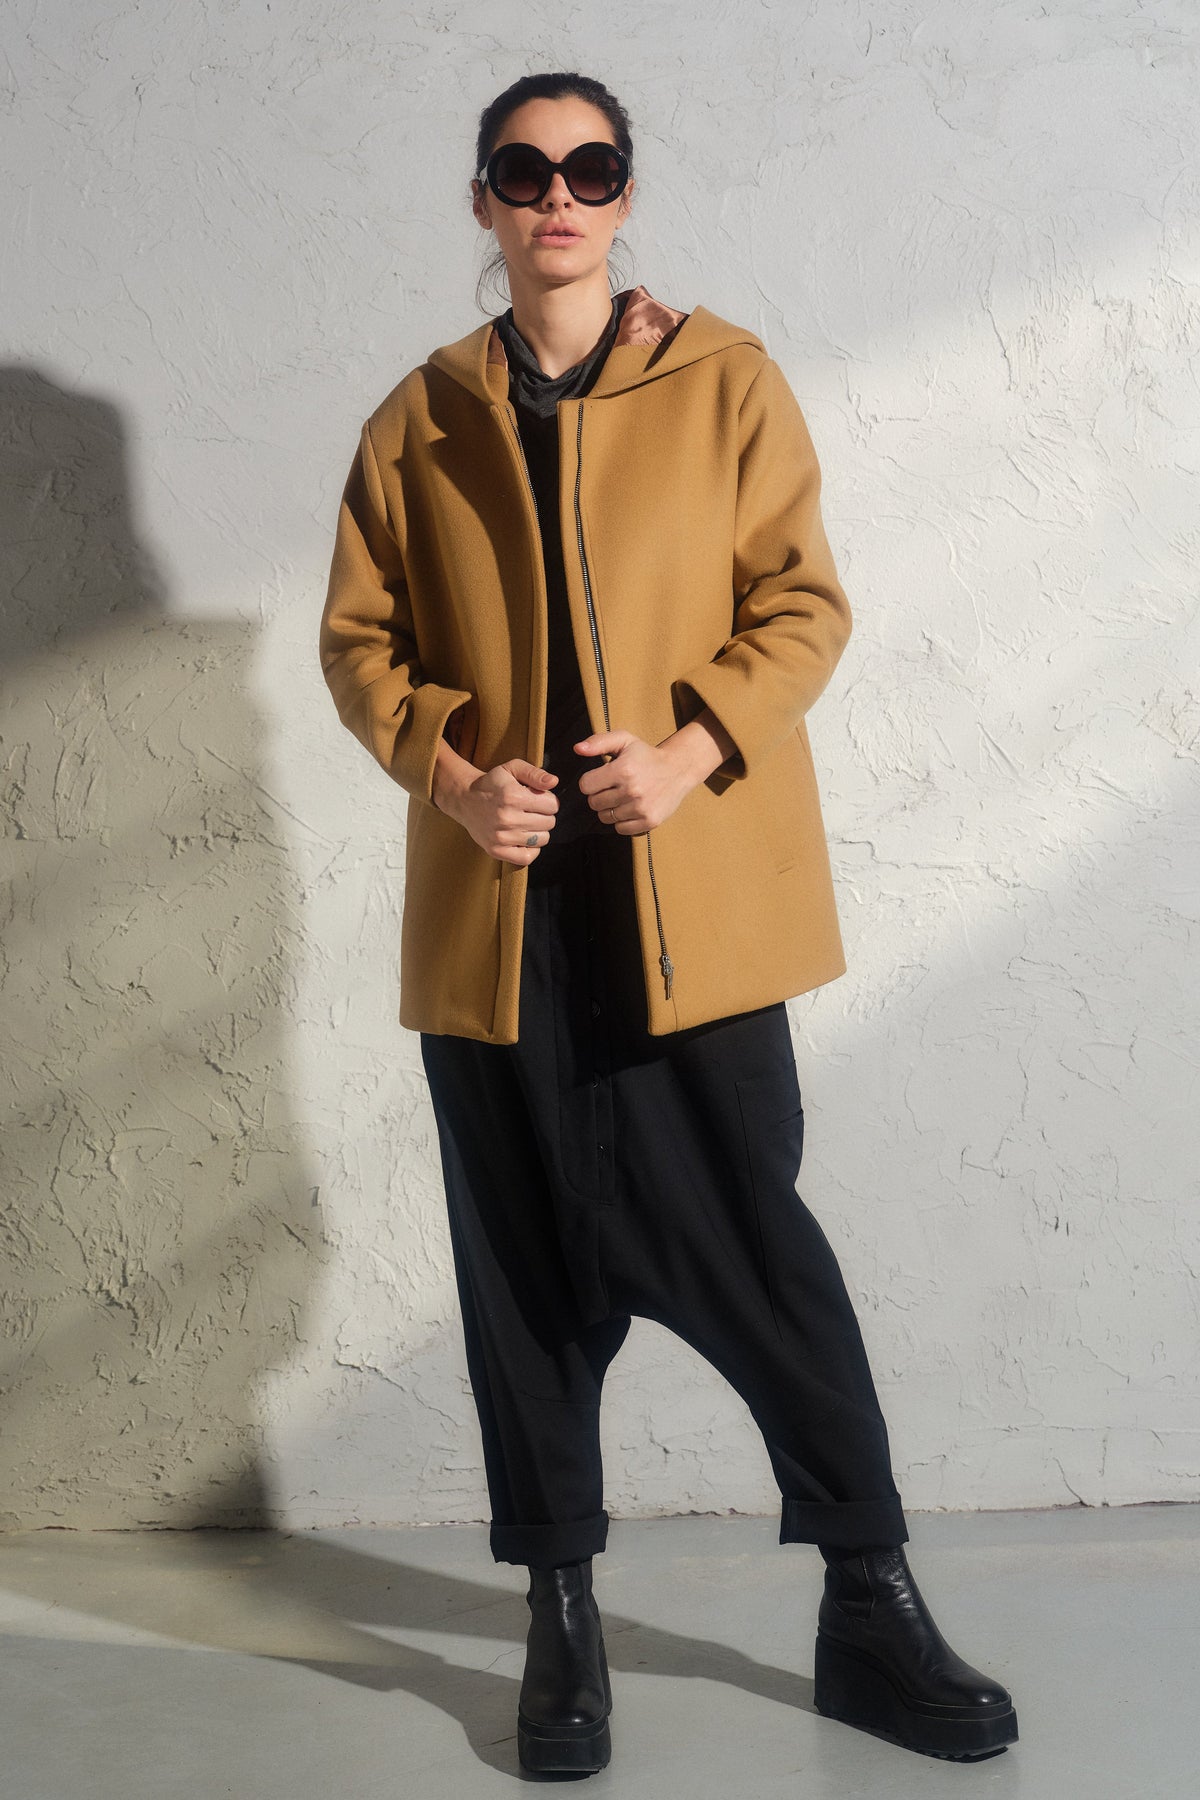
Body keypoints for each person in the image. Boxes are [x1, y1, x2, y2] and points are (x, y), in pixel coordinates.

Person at [319, 69, 1018, 1779]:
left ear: (626, 194)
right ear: (483, 202)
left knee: (762, 1254)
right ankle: (561, 1624)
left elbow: (803, 602)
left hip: (682, 910)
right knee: (524, 1280)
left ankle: (869, 1602)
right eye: (523, 168)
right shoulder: (420, 418)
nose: (556, 194)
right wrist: (453, 777)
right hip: (504, 921)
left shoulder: (723, 379)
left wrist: (692, 750)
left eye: (590, 166)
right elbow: (361, 642)